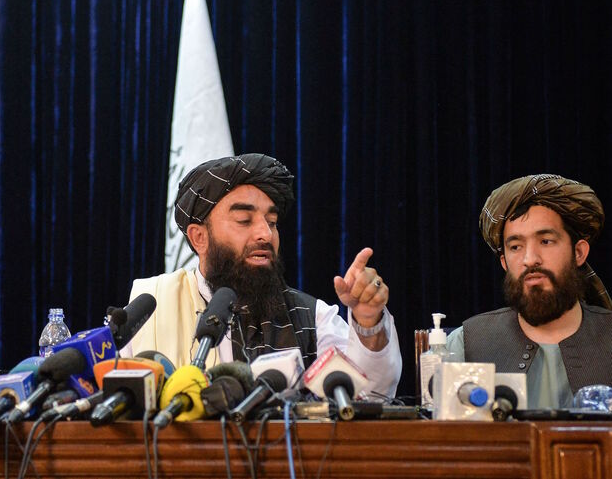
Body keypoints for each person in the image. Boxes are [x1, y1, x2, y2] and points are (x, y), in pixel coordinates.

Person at [123, 154, 401, 397]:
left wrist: (368, 322)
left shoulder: (310, 317)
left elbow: (370, 395)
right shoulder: (152, 309)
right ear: (199, 237)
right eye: (245, 221)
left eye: (272, 223)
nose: (265, 235)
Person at [447, 174, 612, 408]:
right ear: (504, 262)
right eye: (516, 247)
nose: (530, 259)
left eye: (545, 241)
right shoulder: (464, 345)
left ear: (579, 253)